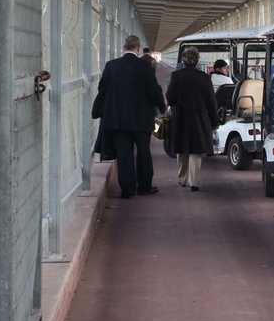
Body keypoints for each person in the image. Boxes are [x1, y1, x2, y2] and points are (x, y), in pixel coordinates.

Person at [92, 34, 167, 199]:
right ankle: (144, 186)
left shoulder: (111, 66)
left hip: (118, 120)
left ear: (124, 47)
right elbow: (154, 90)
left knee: (124, 155)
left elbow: (102, 90)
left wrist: (96, 111)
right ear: (138, 48)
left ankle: (128, 190)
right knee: (143, 152)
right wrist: (162, 108)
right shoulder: (145, 66)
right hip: (141, 119)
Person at [166, 46, 218, 192]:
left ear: (183, 60)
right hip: (199, 117)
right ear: (197, 60)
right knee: (196, 149)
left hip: (180, 116)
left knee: (182, 148)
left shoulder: (176, 76)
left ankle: (182, 179)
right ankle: (194, 182)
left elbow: (170, 98)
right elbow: (211, 102)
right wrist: (214, 121)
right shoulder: (204, 77)